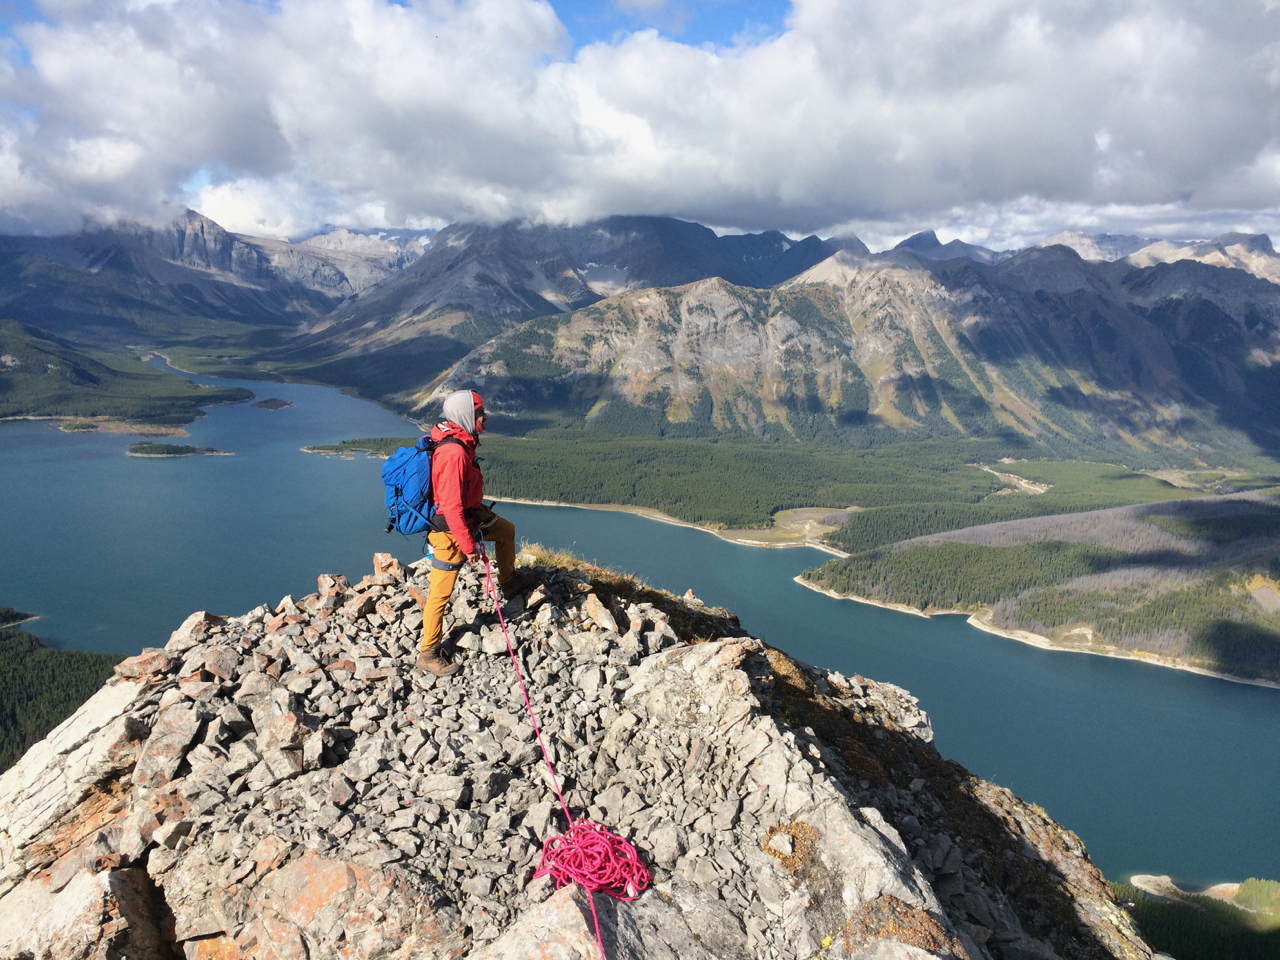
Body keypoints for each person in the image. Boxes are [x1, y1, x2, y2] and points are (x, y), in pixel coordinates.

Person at [416, 389, 534, 676]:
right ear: (466, 415)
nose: (485, 417)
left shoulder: (461, 440)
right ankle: (428, 652)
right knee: (441, 593)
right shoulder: (454, 452)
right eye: (480, 412)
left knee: (506, 530)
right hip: (449, 530)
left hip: (470, 516)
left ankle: (509, 582)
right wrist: (469, 547)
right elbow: (451, 506)